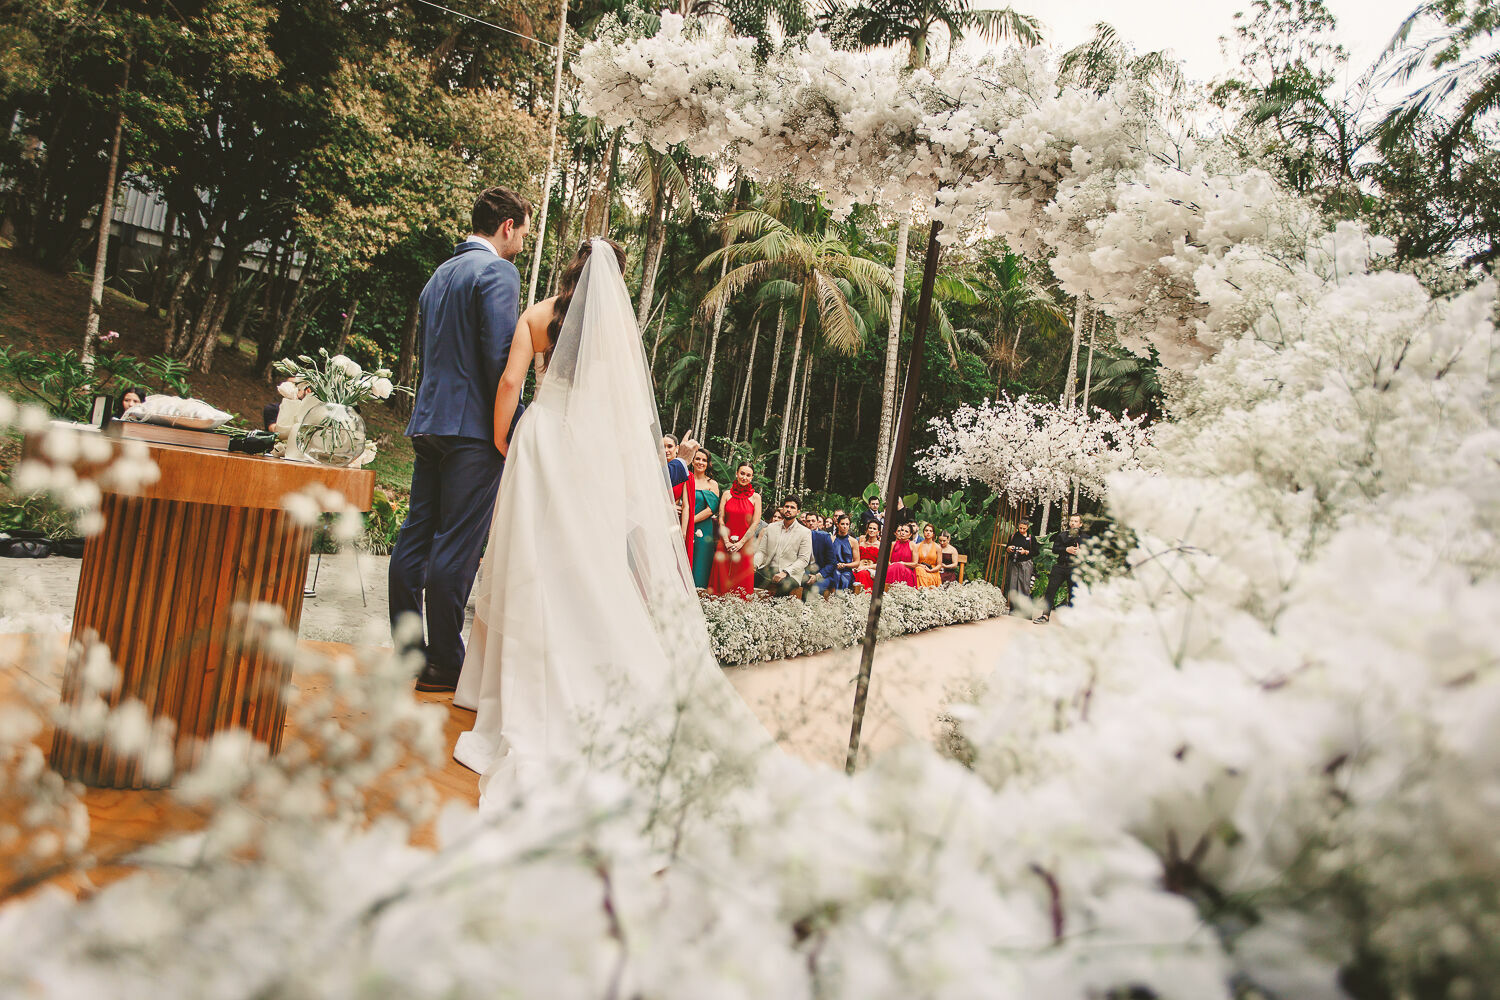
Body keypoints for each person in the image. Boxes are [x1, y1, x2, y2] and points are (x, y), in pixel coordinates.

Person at [451, 237, 768, 790]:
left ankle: (497, 685)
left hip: (541, 435)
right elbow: (622, 405)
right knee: (579, 557)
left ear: (571, 265)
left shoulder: (536, 315)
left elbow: (509, 382)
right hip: (585, 445)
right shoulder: (613, 329)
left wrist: (504, 435)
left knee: (524, 552)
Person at [389, 186, 531, 693]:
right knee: (457, 545)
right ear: (507, 225)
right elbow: (498, 357)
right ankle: (445, 660)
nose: (522, 244)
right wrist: (510, 429)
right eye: (523, 232)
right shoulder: (498, 271)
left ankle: (407, 651)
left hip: (428, 421)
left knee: (415, 537)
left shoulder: (439, 275)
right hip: (473, 429)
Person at [709, 462, 761, 598]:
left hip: (745, 543)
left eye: (748, 475)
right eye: (742, 473)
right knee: (721, 575)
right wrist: (726, 541)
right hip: (725, 540)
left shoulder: (756, 497)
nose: (744, 477)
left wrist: (741, 543)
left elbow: (755, 523)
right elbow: (721, 519)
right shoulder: (726, 494)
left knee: (741, 579)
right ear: (737, 474)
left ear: (752, 478)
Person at [754, 496, 812, 598]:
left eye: (792, 507)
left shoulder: (805, 532)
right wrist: (755, 564)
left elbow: (803, 560)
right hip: (768, 569)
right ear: (783, 508)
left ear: (798, 511)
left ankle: (775, 611)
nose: (789, 509)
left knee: (785, 585)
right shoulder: (771, 527)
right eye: (787, 506)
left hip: (791, 574)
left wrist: (785, 572)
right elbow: (762, 551)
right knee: (747, 578)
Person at [1036, 513, 1085, 623]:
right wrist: (1066, 549)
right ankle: (1045, 616)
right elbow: (1055, 549)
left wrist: (1081, 552)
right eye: (1071, 521)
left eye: (1076, 521)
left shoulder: (1085, 538)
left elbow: (1090, 552)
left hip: (1074, 568)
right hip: (1060, 566)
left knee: (1073, 593)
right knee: (1050, 591)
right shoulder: (1062, 535)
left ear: (1080, 524)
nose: (1073, 523)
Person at [688, 449, 720, 589]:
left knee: (700, 562)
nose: (701, 462)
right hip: (682, 527)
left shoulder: (712, 484)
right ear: (692, 461)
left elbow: (711, 509)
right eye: (698, 459)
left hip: (703, 529)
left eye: (704, 460)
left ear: (708, 464)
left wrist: (690, 522)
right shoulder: (686, 479)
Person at [1003, 520, 1039, 612]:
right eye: (1020, 528)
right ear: (1018, 527)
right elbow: (1006, 548)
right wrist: (1009, 548)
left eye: (1024, 528)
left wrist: (1025, 552)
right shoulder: (1013, 536)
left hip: (1026, 563)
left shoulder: (1031, 538)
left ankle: (1024, 610)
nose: (1022, 530)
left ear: (1027, 528)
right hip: (1014, 563)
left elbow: (1036, 552)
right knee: (1012, 585)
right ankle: (1013, 609)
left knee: (1024, 585)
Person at [804, 512, 837, 598]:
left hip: (823, 574)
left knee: (815, 589)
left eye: (813, 521)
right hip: (806, 572)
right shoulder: (801, 535)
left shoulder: (824, 537)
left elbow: (832, 563)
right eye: (808, 521)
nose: (811, 523)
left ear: (818, 522)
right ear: (805, 523)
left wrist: (817, 576)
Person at [885, 522, 920, 589]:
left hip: (906, 571)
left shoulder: (913, 545)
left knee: (898, 566)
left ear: (910, 535)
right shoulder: (893, 544)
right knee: (895, 567)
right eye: (902, 530)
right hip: (892, 570)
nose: (903, 533)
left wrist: (902, 563)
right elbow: (888, 561)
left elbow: (915, 563)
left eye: (906, 531)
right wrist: (893, 566)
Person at [829, 514, 856, 591]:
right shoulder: (831, 539)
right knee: (836, 575)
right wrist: (835, 564)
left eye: (847, 524)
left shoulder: (853, 541)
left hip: (847, 570)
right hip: (833, 569)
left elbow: (857, 562)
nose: (845, 526)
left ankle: (843, 601)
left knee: (845, 579)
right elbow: (827, 558)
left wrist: (845, 565)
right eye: (842, 524)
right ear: (837, 524)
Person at [853, 520, 881, 591]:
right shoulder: (861, 543)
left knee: (863, 573)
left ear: (878, 532)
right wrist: (859, 566)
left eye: (874, 529)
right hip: (859, 567)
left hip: (872, 569)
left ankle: (864, 595)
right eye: (870, 528)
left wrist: (866, 567)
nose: (872, 530)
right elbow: (856, 559)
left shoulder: (880, 545)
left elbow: (880, 565)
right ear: (867, 529)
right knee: (851, 573)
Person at [914, 522, 943, 588]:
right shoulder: (917, 546)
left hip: (932, 571)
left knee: (920, 571)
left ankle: (924, 591)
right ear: (923, 532)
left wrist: (930, 570)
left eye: (930, 531)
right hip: (920, 569)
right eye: (926, 530)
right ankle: (923, 591)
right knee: (919, 569)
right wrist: (921, 566)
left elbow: (939, 565)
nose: (928, 532)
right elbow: (914, 563)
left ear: (933, 534)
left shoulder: (937, 547)